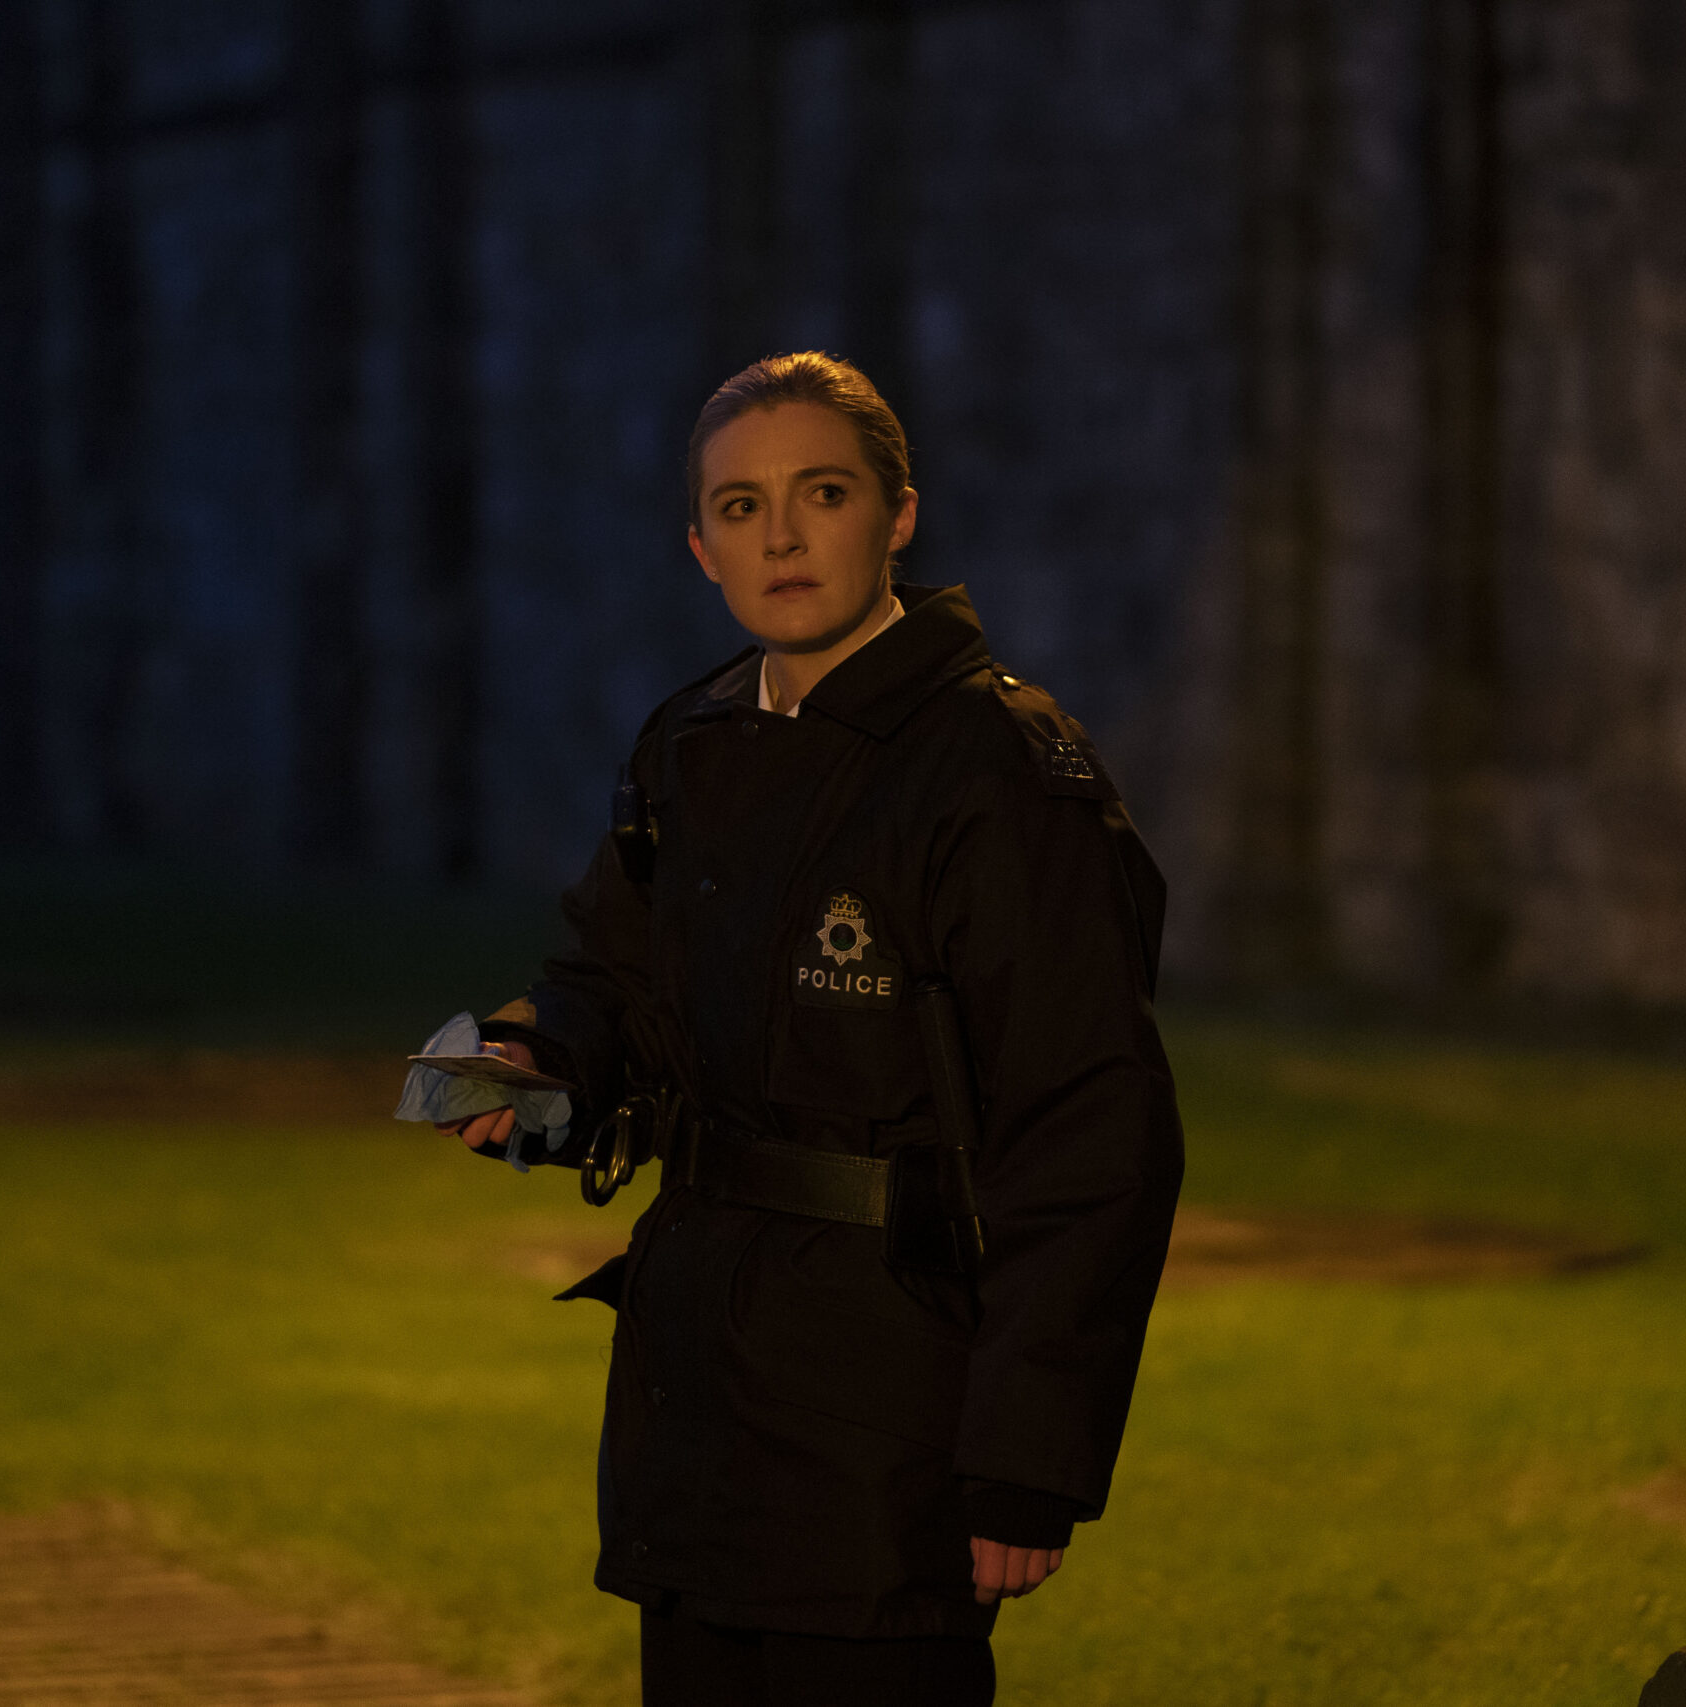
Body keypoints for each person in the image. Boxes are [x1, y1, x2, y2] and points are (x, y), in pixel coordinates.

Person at [438, 352, 1182, 1707]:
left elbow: (1095, 1131)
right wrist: (535, 1057)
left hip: (893, 1397)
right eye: (738, 506)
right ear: (699, 546)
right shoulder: (692, 747)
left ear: (896, 515)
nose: (779, 536)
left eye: (820, 492)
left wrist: (1027, 1458)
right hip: (699, 1378)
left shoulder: (999, 772)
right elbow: (609, 977)